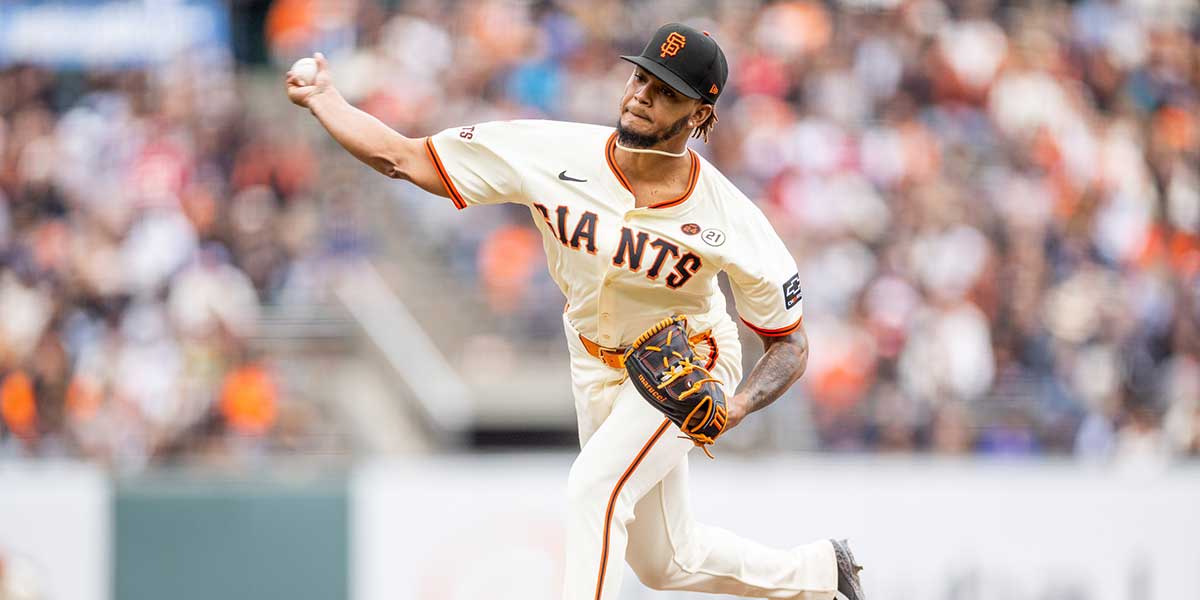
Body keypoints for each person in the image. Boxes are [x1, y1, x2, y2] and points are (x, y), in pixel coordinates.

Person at [286, 22, 866, 600]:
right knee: (666, 561)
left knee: (594, 489)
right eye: (641, 78)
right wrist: (324, 99)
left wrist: (736, 406)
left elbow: (789, 343)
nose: (641, 95)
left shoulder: (730, 218)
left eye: (666, 91)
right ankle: (818, 574)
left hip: (685, 363)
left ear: (699, 116)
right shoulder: (550, 151)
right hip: (591, 359)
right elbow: (403, 158)